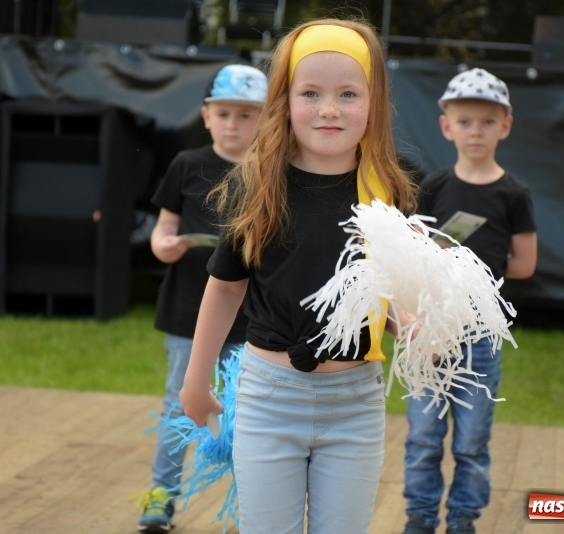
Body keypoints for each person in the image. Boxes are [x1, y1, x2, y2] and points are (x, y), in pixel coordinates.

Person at [179, 18, 418, 534]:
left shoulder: (387, 191)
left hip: (356, 403)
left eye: (348, 94)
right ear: (284, 100)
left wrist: (414, 323)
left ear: (374, 102)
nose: (329, 109)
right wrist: (196, 379)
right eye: (310, 93)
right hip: (269, 399)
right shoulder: (259, 185)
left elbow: (389, 293)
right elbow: (225, 287)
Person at [402, 68, 538, 534]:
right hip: (430, 332)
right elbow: (411, 258)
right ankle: (419, 519)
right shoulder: (434, 187)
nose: (475, 131)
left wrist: (480, 267)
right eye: (465, 122)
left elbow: (523, 264)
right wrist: (436, 256)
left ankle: (462, 521)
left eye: (486, 122)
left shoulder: (513, 194)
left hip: (480, 334)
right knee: (422, 436)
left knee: (472, 441)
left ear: (506, 125)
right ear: (446, 127)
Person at [138, 63, 268, 534]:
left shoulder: (270, 173)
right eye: (225, 114)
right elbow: (164, 227)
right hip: (187, 315)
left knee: (249, 416)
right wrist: (162, 246)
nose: (234, 125)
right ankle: (162, 497)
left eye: (246, 115)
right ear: (206, 116)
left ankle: (252, 506)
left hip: (252, 321)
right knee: (180, 407)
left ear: (266, 120)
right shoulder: (186, 166)